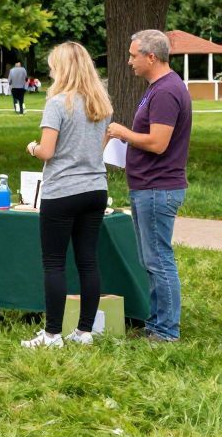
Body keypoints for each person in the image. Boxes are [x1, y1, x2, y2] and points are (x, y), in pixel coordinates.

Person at [21, 42, 112, 348]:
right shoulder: (102, 105)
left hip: (62, 190)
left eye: (53, 66)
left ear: (62, 69)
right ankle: (85, 331)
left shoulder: (58, 104)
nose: (50, 71)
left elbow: (47, 150)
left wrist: (32, 148)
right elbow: (98, 151)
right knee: (88, 261)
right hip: (96, 188)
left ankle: (52, 334)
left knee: (54, 263)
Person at [107, 29, 192, 343]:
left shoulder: (166, 91)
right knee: (151, 259)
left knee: (158, 259)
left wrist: (122, 133)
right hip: (149, 186)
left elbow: (158, 143)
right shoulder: (158, 88)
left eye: (133, 55)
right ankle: (156, 324)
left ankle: (166, 331)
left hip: (158, 188)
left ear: (151, 56)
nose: (129, 61)